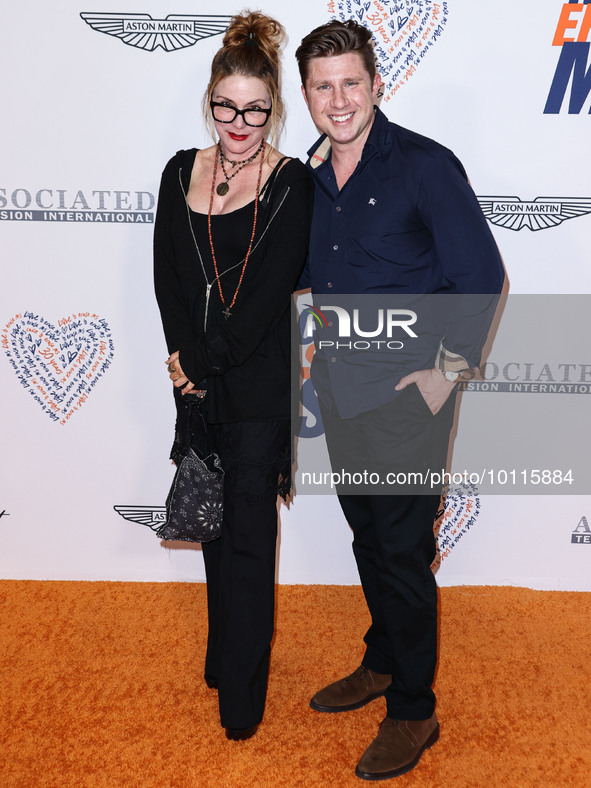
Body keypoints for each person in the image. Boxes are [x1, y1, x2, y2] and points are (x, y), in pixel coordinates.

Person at [295, 20, 504, 780]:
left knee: (404, 553)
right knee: (366, 536)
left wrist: (442, 375)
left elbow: (480, 277)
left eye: (351, 82)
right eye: (323, 86)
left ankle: (414, 710)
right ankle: (382, 659)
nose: (338, 99)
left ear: (377, 85)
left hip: (409, 399)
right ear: (308, 95)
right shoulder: (308, 176)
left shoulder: (424, 166)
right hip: (340, 392)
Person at [153, 11, 313, 741]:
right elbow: (167, 278)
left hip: (253, 392)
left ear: (273, 106)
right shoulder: (179, 170)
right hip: (198, 390)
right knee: (215, 529)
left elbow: (262, 305)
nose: (239, 123)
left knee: (248, 541)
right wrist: (183, 361)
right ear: (209, 101)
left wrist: (200, 363)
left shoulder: (292, 185)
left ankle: (241, 703)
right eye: (226, 107)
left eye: (254, 109)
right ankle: (226, 657)